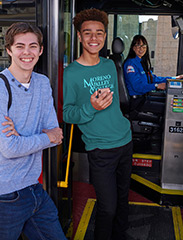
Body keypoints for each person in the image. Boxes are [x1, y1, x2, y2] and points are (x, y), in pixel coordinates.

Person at [0, 22, 66, 240]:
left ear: (41, 50)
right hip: (3, 194)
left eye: (33, 46)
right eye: (19, 46)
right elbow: (10, 149)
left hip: (34, 188)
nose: (26, 52)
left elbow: (57, 134)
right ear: (8, 50)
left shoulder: (42, 82)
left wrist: (22, 135)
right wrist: (44, 136)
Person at [63, 9, 133, 240]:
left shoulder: (110, 65)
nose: (94, 38)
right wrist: (91, 107)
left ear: (105, 36)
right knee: (108, 207)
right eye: (88, 33)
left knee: (123, 200)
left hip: (125, 141)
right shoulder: (71, 73)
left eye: (99, 33)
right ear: (80, 37)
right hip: (100, 149)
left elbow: (115, 105)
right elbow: (67, 114)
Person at [123, 35, 183, 112]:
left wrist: (173, 79)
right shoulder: (130, 64)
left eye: (143, 45)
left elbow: (153, 78)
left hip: (144, 98)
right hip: (137, 102)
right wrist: (157, 86)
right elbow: (137, 86)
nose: (141, 48)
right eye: (138, 45)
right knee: (170, 107)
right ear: (133, 48)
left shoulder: (142, 62)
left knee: (170, 101)